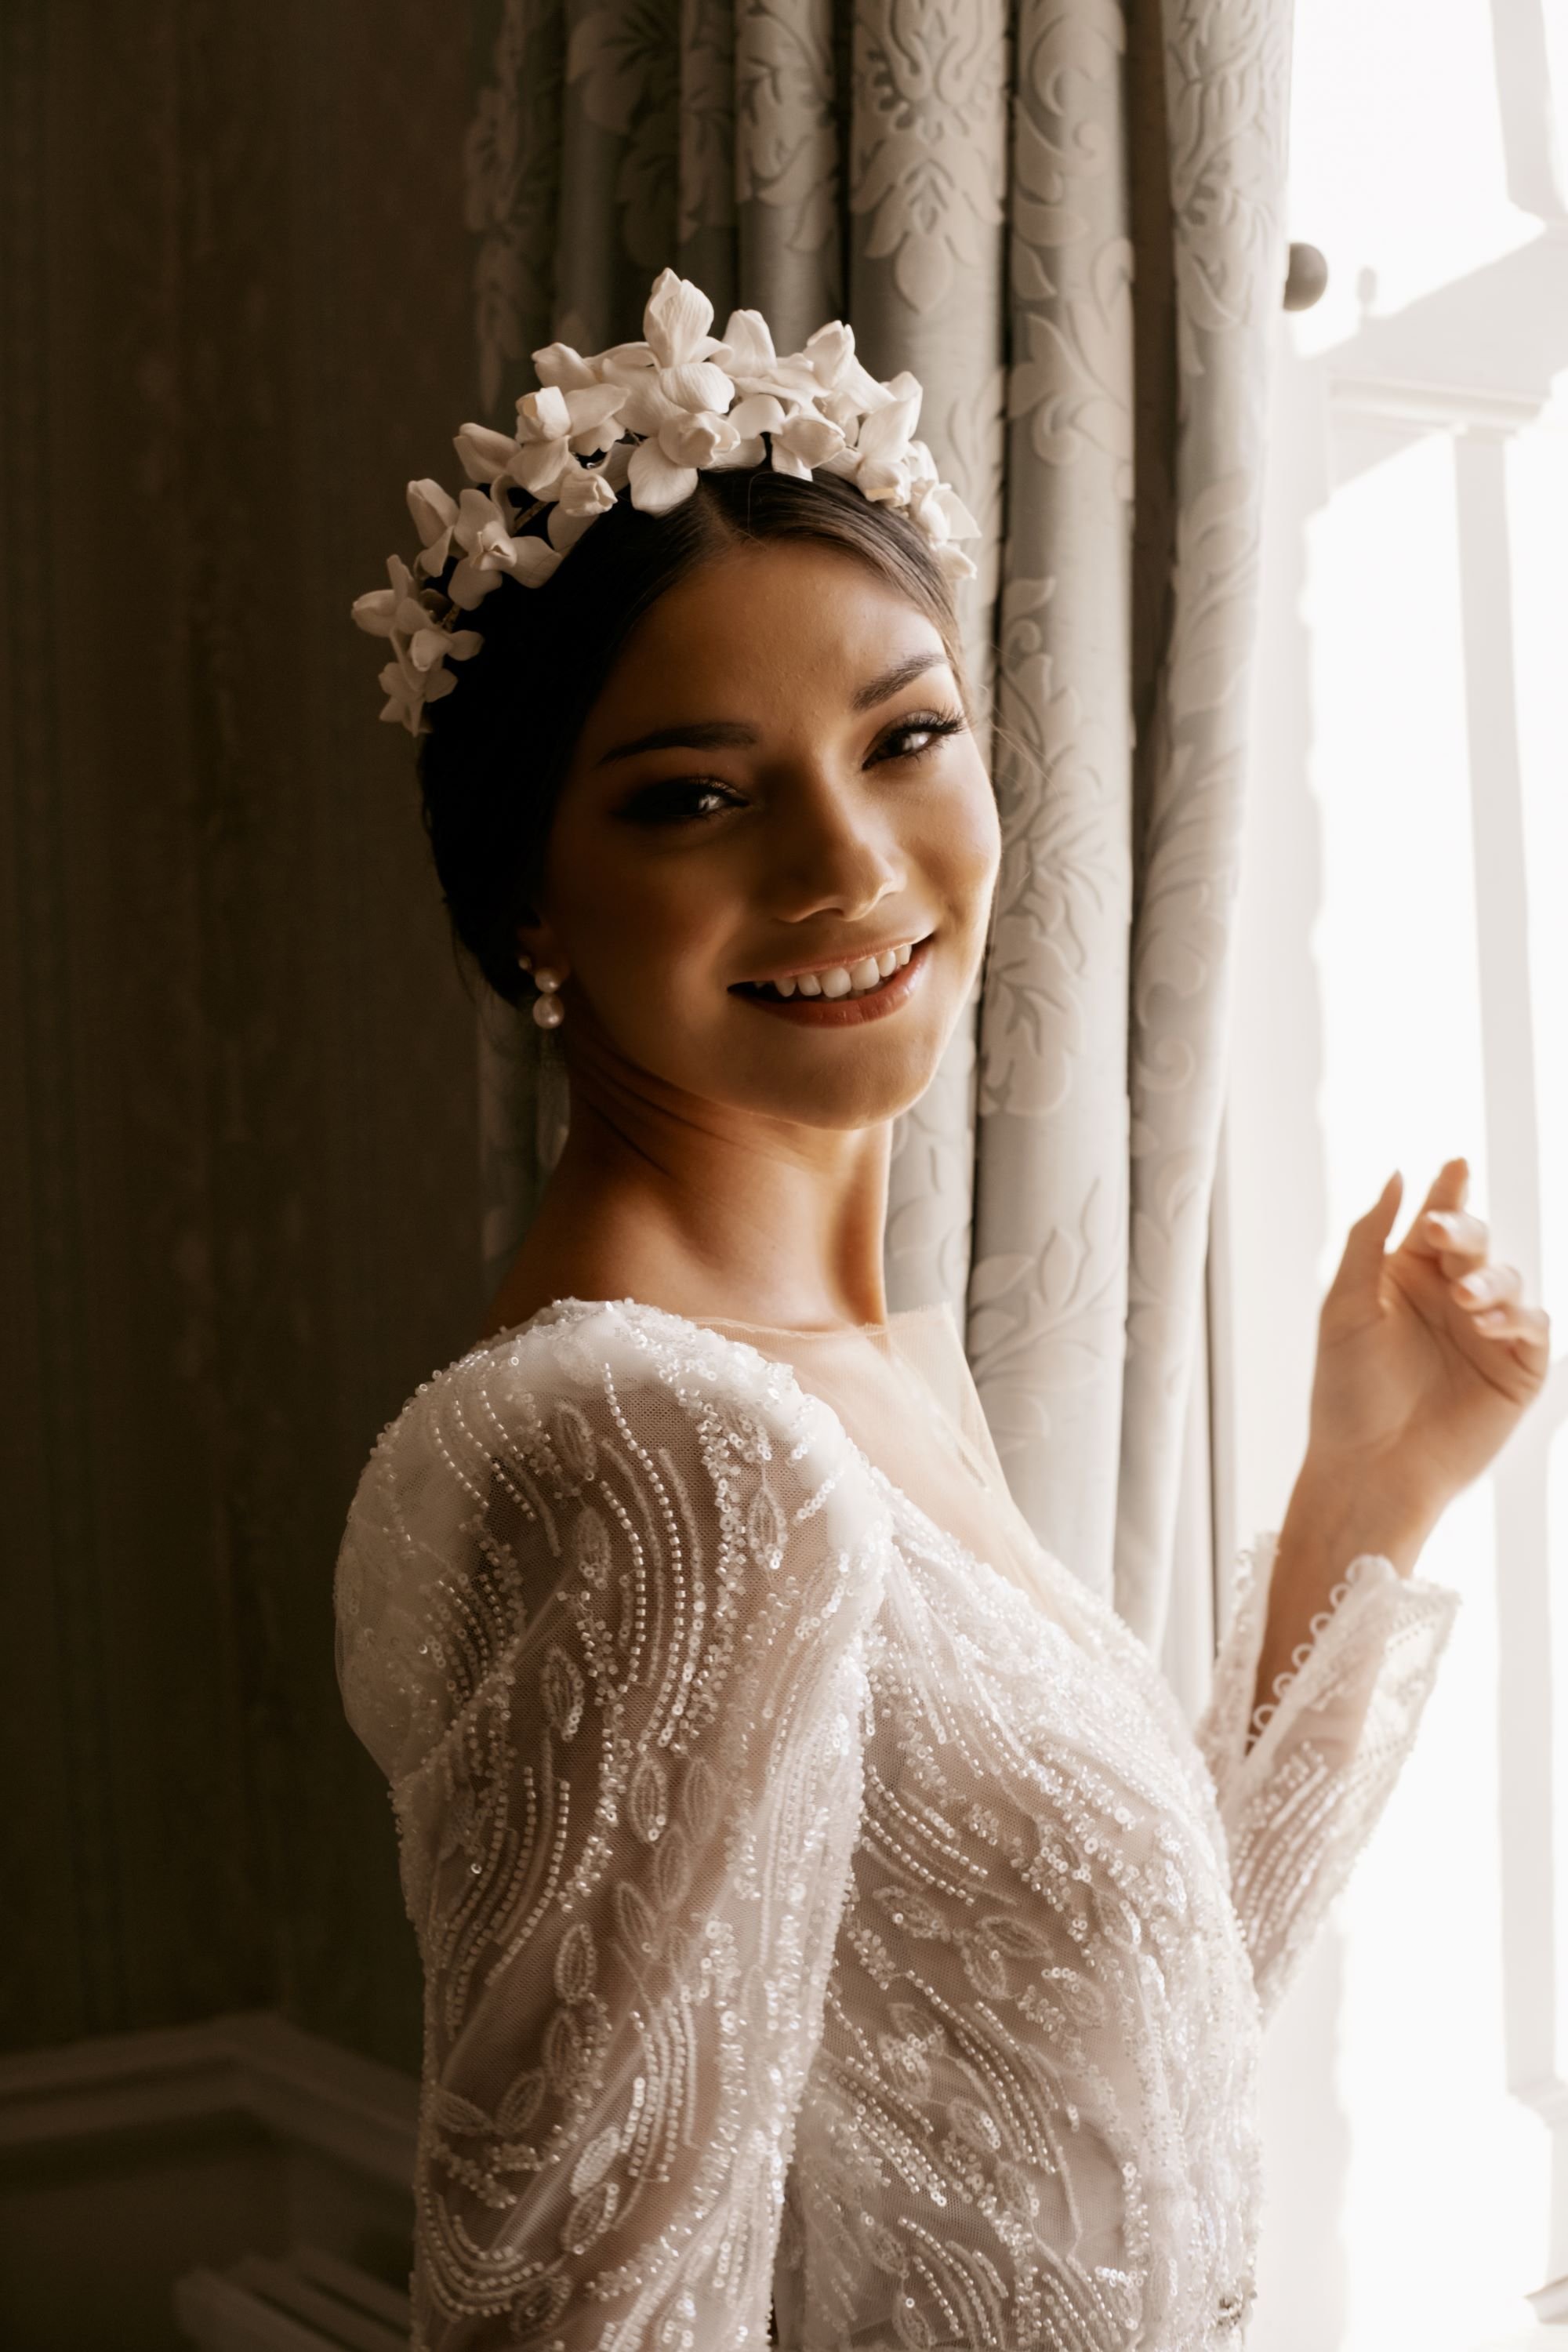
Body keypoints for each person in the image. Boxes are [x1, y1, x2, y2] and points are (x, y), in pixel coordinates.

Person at [335, 270, 1550, 2351]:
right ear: (527, 896)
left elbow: (1088, 2097)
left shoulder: (835, 1382)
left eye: (906, 738)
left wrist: (1369, 1494)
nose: (850, 862)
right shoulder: (658, 1456)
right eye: (695, 796)